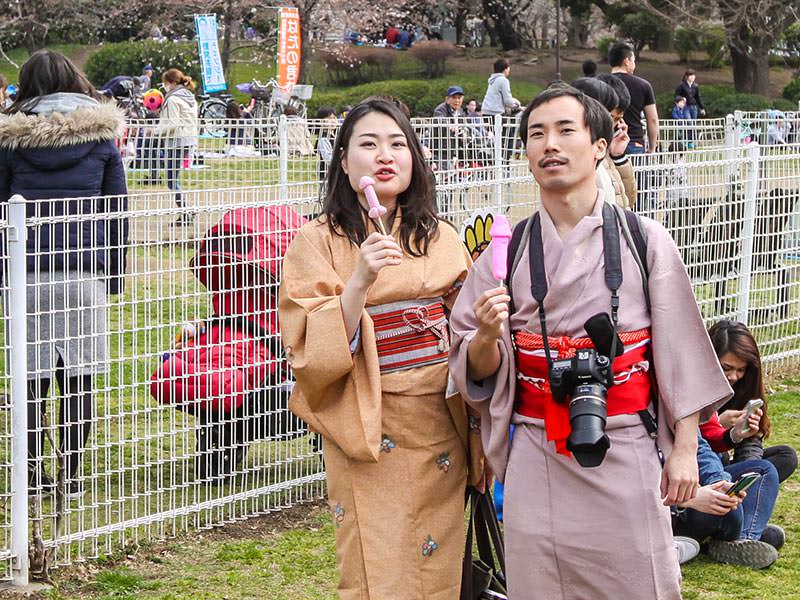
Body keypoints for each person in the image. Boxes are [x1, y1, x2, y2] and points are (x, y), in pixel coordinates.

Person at [448, 84, 732, 598]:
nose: (549, 144)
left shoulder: (645, 240)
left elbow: (682, 354)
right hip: (537, 449)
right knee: (539, 583)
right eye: (536, 133)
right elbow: (477, 370)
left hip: (625, 443)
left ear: (600, 145)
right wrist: (488, 335)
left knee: (638, 582)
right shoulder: (504, 255)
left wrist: (686, 449)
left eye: (565, 130)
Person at [278, 97, 483, 599]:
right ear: (345, 163)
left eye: (398, 144)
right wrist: (359, 282)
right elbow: (306, 347)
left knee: (440, 560)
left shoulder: (442, 238)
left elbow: (469, 330)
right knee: (377, 562)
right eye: (368, 144)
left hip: (442, 419)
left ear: (414, 159)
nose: (384, 155)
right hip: (369, 423)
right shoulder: (316, 240)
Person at [0, 49, 129, 498]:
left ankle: (33, 476)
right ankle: (71, 476)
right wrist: (114, 274)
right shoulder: (101, 138)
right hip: (83, 274)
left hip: (26, 275)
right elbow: (117, 211)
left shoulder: (10, 141)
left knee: (30, 379)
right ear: (75, 81)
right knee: (78, 378)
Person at [701, 320, 798, 483]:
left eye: (741, 370)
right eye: (727, 368)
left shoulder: (744, 386)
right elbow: (693, 440)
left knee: (786, 456)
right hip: (703, 461)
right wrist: (720, 423)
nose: (733, 376)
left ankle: (742, 485)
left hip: (728, 464)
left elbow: (751, 441)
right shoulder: (697, 386)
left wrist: (749, 468)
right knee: (721, 457)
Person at [672, 432, 781, 568]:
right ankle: (743, 537)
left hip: (693, 487)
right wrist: (687, 499)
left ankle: (744, 539)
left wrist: (719, 481)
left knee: (764, 469)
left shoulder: (677, 416)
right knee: (727, 509)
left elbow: (701, 449)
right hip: (666, 508)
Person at [571, 76, 636, 209]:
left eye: (618, 119)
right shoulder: (586, 156)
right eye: (610, 117)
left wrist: (618, 157)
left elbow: (628, 200)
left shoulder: (604, 151)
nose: (612, 125)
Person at [150, 68, 198, 226]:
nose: (164, 87)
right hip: (188, 139)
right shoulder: (188, 96)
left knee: (171, 180)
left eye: (165, 83)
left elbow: (173, 123)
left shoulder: (172, 99)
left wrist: (155, 132)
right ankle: (186, 211)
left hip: (176, 141)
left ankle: (186, 212)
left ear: (170, 83)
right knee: (173, 178)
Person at [609, 41, 659, 154]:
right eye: (634, 61)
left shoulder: (599, 84)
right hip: (633, 142)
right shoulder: (643, 85)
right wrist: (652, 149)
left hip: (606, 142)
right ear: (627, 61)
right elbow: (652, 120)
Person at [431, 85, 467, 173]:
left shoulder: (460, 112)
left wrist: (464, 134)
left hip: (454, 151)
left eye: (459, 98)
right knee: (444, 177)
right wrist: (450, 125)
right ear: (447, 99)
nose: (457, 100)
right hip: (440, 151)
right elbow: (439, 120)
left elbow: (464, 127)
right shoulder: (440, 110)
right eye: (454, 97)